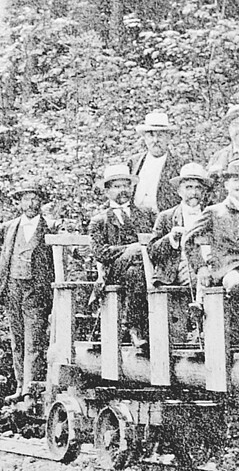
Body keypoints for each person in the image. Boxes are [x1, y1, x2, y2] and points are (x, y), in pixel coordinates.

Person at [0, 182, 55, 404]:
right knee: (17, 340)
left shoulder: (49, 226)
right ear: (20, 202)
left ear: (41, 203)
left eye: (35, 199)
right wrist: (2, 265)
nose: (31, 203)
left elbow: (66, 247)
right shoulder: (10, 227)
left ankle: (30, 391)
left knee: (34, 340)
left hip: (36, 290)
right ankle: (19, 385)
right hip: (13, 287)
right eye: (26, 199)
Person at [88, 162, 154, 347]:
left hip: (141, 269)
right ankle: (133, 328)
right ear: (107, 191)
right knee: (136, 258)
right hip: (113, 272)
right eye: (117, 186)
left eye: (126, 185)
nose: (122, 190)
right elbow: (101, 253)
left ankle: (134, 327)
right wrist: (131, 249)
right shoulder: (99, 220)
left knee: (136, 271)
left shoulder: (146, 214)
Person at [197, 158, 239, 346]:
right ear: (226, 184)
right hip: (230, 268)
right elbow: (190, 240)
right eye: (235, 180)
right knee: (236, 285)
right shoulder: (214, 212)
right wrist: (201, 267)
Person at [147, 162, 216, 287]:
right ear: (179, 191)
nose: (194, 192)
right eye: (188, 187)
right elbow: (152, 252)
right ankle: (199, 305)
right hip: (178, 266)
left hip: (211, 263)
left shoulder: (213, 213)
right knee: (202, 278)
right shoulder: (166, 216)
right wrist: (170, 239)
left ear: (204, 191)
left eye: (198, 188)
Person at [126, 109, 185, 217]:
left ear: (169, 138)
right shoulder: (134, 162)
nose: (155, 140)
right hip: (135, 221)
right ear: (144, 138)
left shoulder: (179, 165)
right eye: (151, 135)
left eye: (160, 135)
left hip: (165, 221)